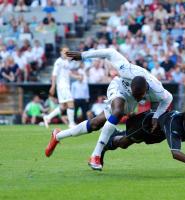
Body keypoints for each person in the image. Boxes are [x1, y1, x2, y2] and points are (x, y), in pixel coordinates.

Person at [45, 48, 173, 171]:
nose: (138, 97)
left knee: (95, 124)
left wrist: (156, 116)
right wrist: (83, 55)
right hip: (118, 87)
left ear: (146, 90)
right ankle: (95, 155)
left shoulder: (158, 90)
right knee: (117, 112)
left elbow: (168, 99)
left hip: (129, 101)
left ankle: (58, 135)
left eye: (140, 96)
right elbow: (110, 52)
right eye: (136, 94)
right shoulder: (126, 70)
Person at [101, 106, 185, 175]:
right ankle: (107, 143)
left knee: (127, 142)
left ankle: (117, 134)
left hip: (159, 135)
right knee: (123, 143)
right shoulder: (175, 124)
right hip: (147, 125)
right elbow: (176, 154)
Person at [43, 47, 80, 128]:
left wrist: (77, 77)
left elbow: (69, 73)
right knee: (71, 103)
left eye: (67, 51)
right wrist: (53, 86)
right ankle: (71, 123)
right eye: (64, 51)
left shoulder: (66, 61)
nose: (66, 52)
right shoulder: (58, 62)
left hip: (65, 86)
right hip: (62, 86)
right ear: (60, 52)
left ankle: (47, 117)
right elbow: (54, 74)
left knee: (63, 107)